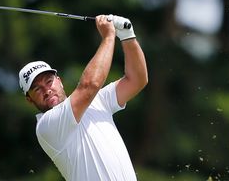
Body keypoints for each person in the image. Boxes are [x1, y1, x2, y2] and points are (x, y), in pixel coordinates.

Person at [18, 14, 148, 180]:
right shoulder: (46, 126)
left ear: (60, 81)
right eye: (37, 89)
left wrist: (127, 36)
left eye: (49, 81)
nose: (47, 90)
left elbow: (137, 80)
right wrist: (109, 37)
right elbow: (89, 85)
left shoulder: (98, 101)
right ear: (29, 100)